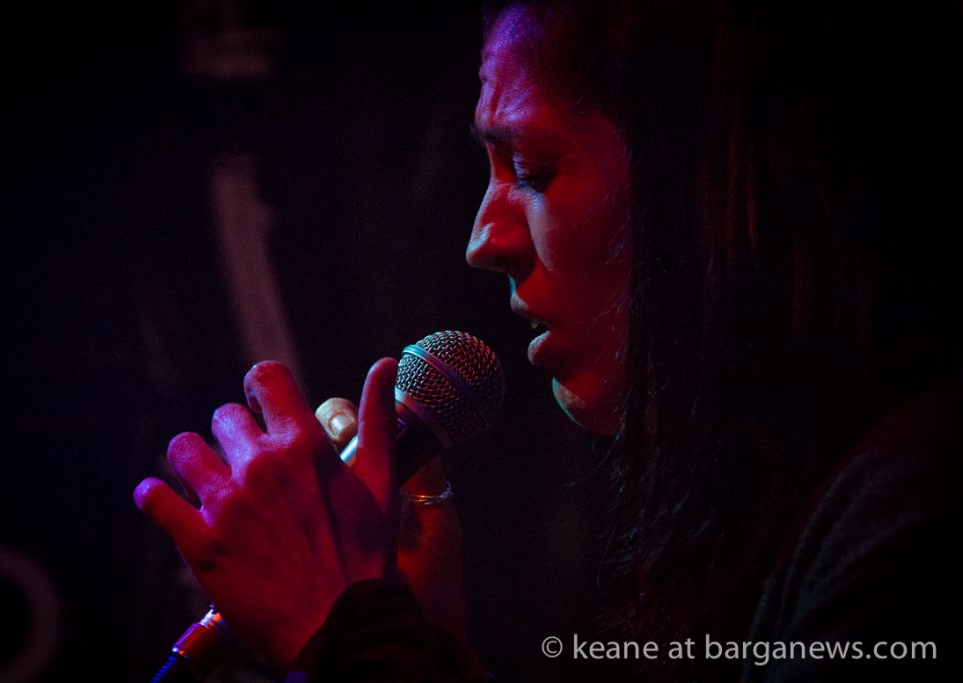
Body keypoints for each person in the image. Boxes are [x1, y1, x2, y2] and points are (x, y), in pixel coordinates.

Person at [135, 1, 960, 680]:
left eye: (529, 168)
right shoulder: (773, 508)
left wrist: (349, 634)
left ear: (701, 173)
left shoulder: (916, 516)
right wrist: (428, 650)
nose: (482, 240)